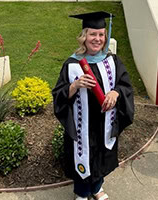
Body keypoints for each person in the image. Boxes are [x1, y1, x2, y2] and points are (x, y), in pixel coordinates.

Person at [52, 11, 134, 200]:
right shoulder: (72, 64)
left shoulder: (112, 61)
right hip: (82, 126)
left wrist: (116, 93)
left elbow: (125, 85)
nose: (97, 39)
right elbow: (58, 95)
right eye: (92, 34)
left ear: (105, 37)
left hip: (105, 122)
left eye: (101, 34)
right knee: (82, 155)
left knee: (101, 155)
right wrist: (74, 85)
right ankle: (81, 192)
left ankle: (96, 188)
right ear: (84, 37)